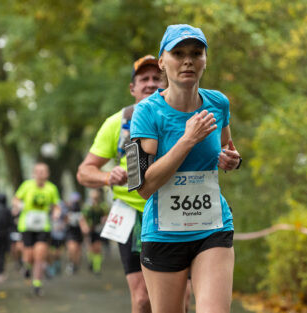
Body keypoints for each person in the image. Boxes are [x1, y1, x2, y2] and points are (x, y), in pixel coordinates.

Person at [129, 24, 242, 313]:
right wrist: (187, 140)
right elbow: (141, 186)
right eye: (178, 53)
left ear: (205, 59)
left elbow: (227, 150)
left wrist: (233, 161)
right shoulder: (145, 112)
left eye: (196, 52)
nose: (188, 60)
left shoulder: (218, 102)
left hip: (212, 227)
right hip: (163, 232)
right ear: (163, 62)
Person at [77, 55, 163, 313]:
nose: (150, 83)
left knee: (181, 298)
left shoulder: (181, 116)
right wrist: (107, 176)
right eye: (143, 79)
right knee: (142, 299)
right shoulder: (118, 123)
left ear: (166, 82)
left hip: (174, 211)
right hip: (131, 211)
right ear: (133, 88)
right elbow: (83, 172)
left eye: (156, 78)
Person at [12, 162, 61, 296]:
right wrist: (19, 205)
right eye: (38, 171)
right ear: (34, 173)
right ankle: (27, 267)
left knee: (40, 255)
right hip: (27, 225)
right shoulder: (27, 185)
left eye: (43, 171)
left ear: (47, 174)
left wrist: (56, 213)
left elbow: (56, 205)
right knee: (28, 256)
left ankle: (37, 283)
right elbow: (15, 199)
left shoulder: (51, 188)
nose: (40, 174)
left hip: (43, 226)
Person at [83, 188, 107, 274]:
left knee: (97, 247)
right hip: (90, 229)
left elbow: (106, 215)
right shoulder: (87, 206)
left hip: (98, 229)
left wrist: (104, 220)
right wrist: (85, 227)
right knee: (90, 248)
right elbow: (83, 218)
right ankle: (91, 261)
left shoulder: (102, 206)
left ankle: (97, 268)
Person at [65, 191, 89, 275]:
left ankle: (75, 264)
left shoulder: (82, 213)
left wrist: (85, 229)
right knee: (72, 249)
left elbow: (84, 225)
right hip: (70, 233)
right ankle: (71, 263)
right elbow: (64, 222)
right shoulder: (67, 212)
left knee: (78, 251)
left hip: (78, 234)